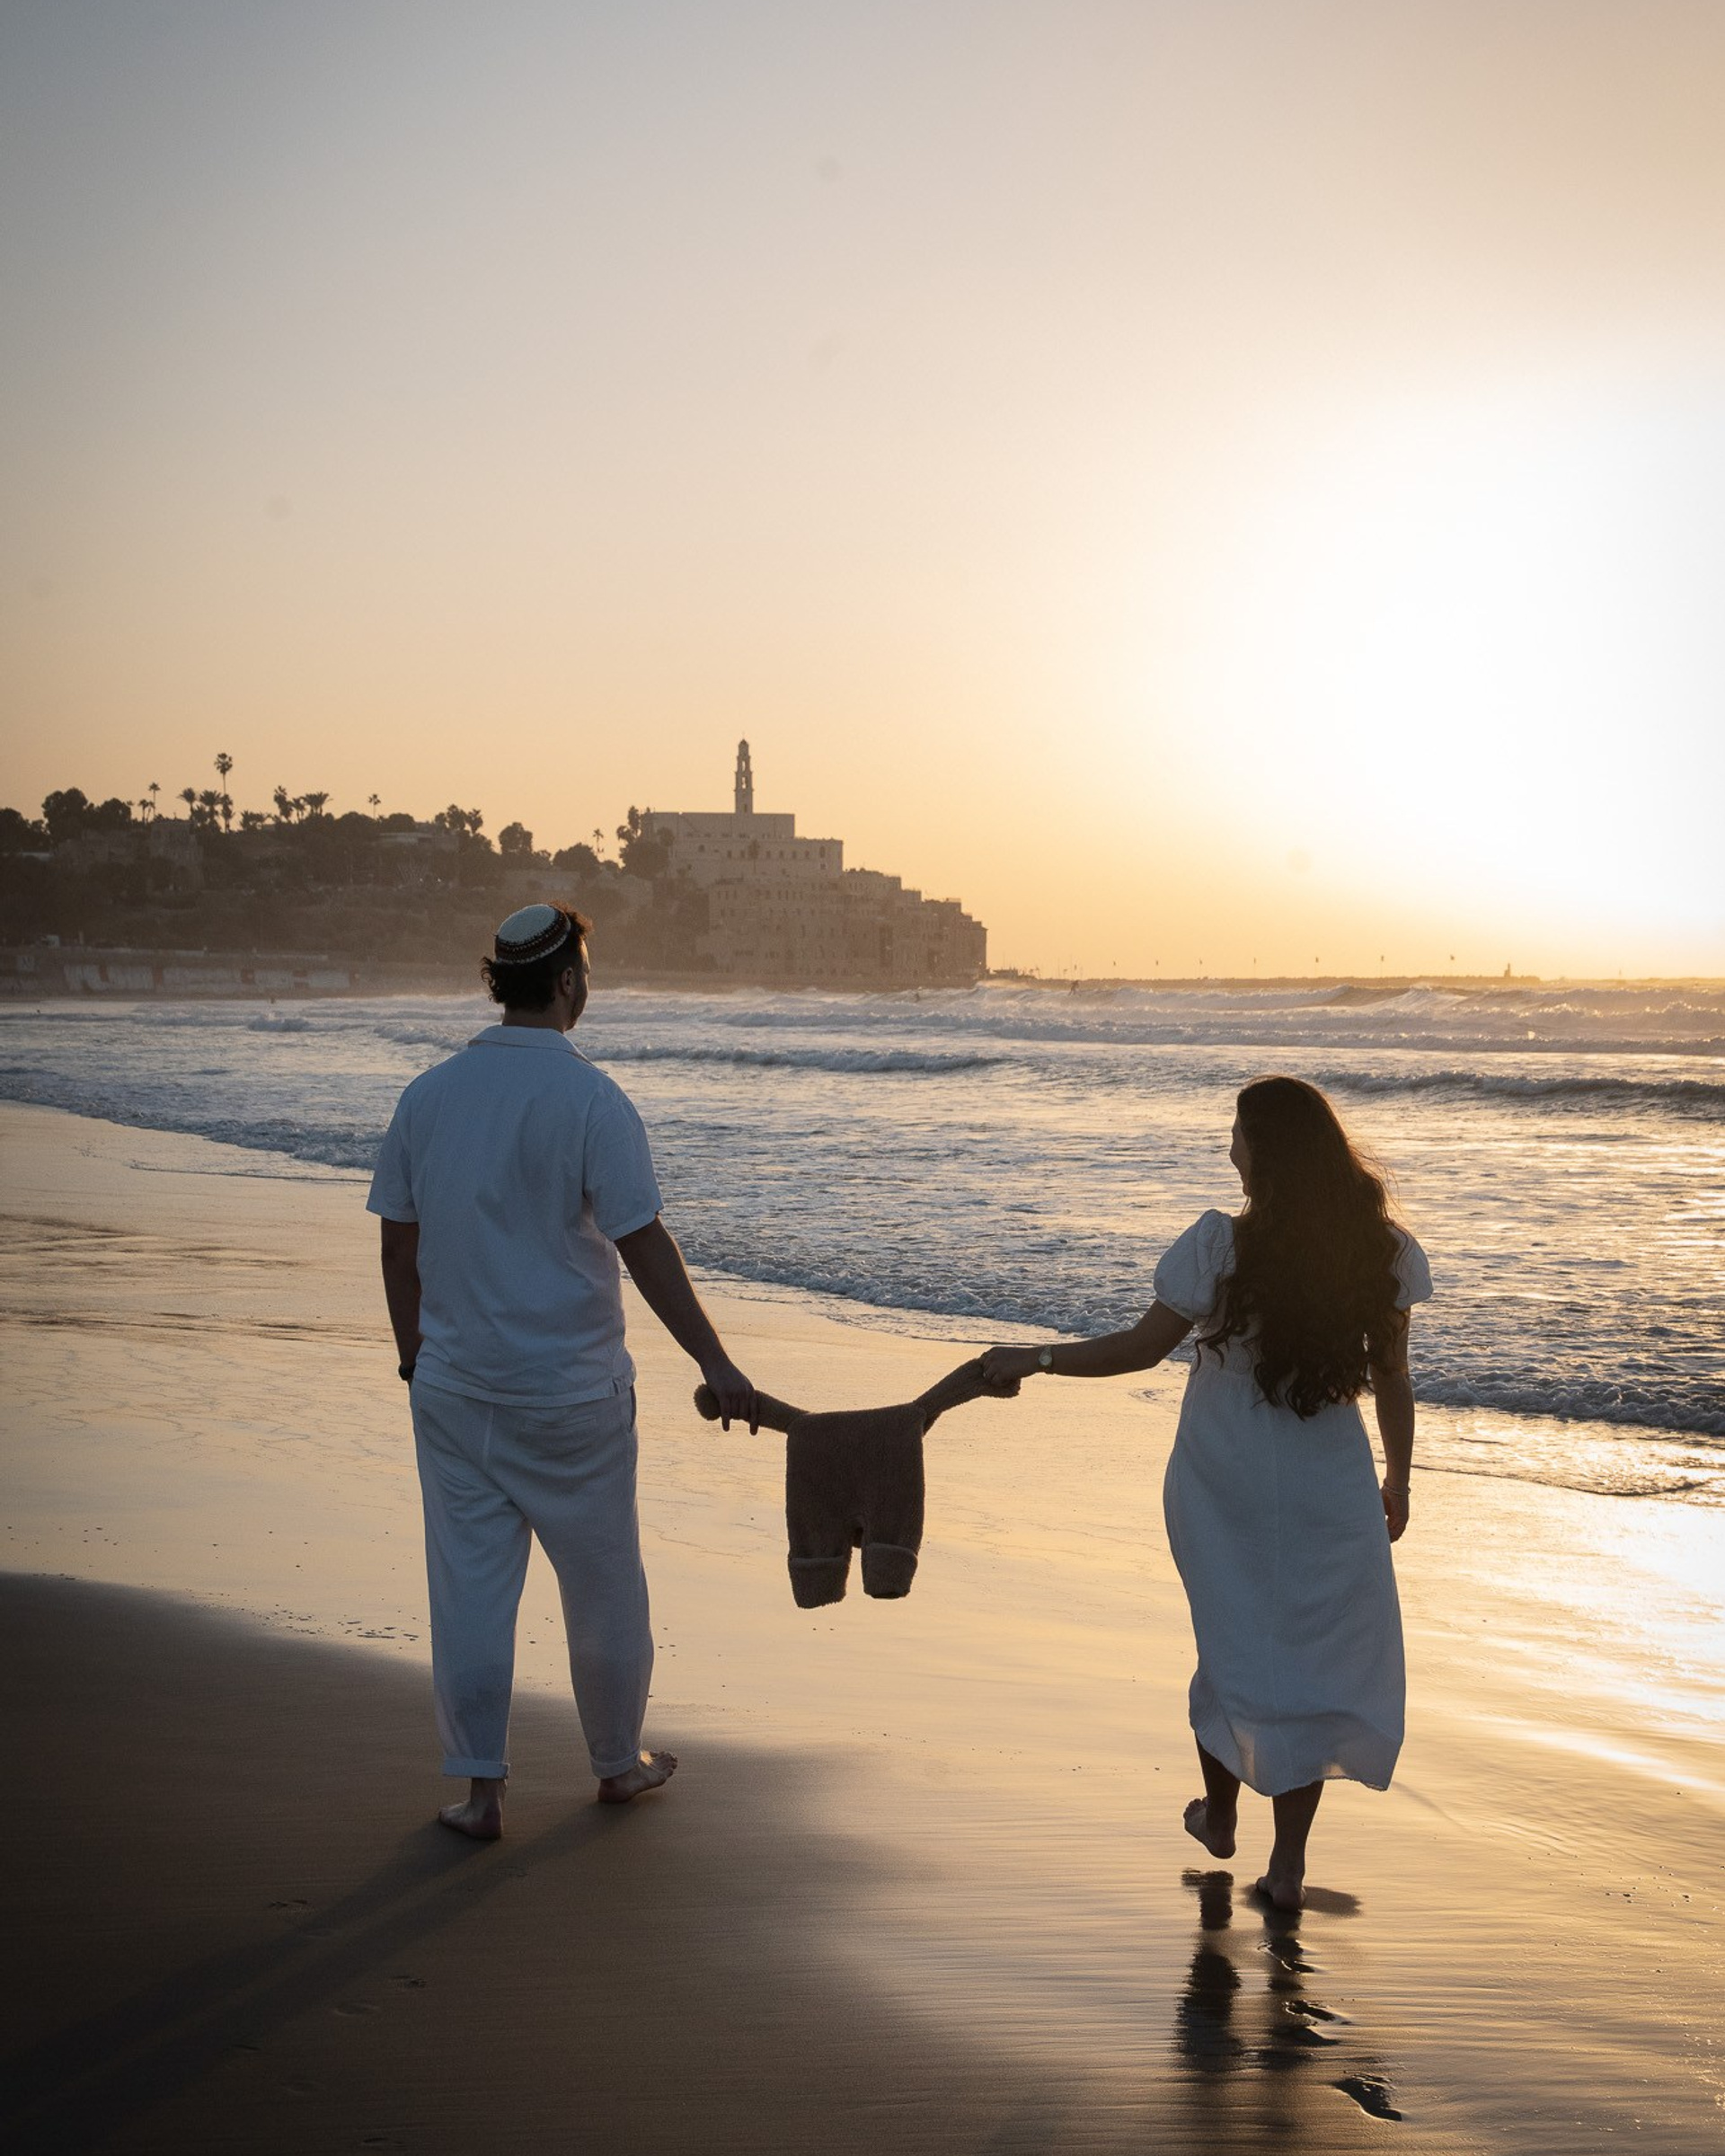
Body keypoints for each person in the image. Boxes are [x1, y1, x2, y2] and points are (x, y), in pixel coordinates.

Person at [981, 1074, 1429, 1910]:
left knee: (1230, 1642)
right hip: (1329, 1481)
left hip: (1222, 1476)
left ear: (1265, 1151)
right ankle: (1287, 1864)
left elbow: (1140, 1349)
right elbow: (1394, 1380)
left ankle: (1220, 1817)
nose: (1230, 1147)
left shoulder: (1219, 1244)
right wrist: (1398, 1479)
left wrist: (1034, 1358)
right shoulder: (1382, 1250)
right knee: (1312, 1661)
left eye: (1237, 1132)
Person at [368, 902, 758, 1841]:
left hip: (457, 1387)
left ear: (500, 984)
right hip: (573, 1394)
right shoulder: (591, 1100)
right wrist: (716, 1360)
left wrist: (415, 1354)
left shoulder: (429, 1094)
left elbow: (398, 1239)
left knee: (469, 1590)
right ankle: (618, 1764)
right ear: (571, 983)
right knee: (605, 1584)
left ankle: (480, 1794)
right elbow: (643, 1245)